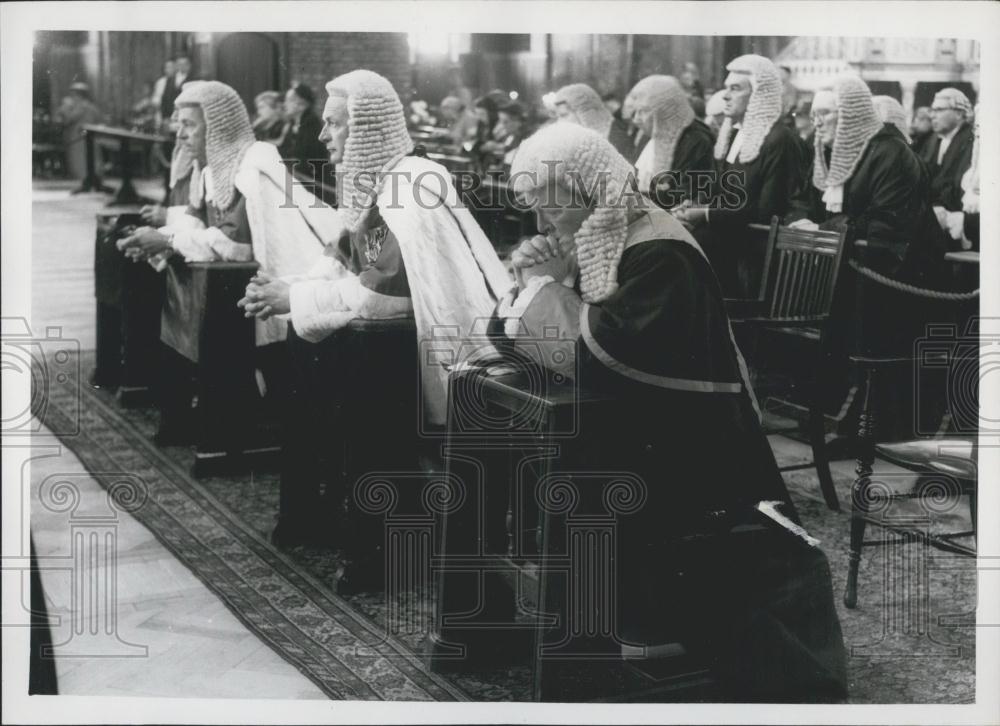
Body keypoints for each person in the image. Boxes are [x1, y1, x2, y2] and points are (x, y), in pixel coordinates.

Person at [495, 121, 847, 702]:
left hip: (693, 460)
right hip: (640, 431)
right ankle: (572, 632)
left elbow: (599, 352)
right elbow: (550, 332)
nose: (540, 226)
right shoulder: (605, 229)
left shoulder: (660, 250)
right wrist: (537, 281)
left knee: (575, 493)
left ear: (588, 192)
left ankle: (583, 653)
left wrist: (538, 289)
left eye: (548, 210)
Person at [239, 70, 511, 560]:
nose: (323, 136)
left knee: (343, 375)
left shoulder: (411, 186)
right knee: (304, 362)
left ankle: (372, 540)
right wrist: (288, 290)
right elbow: (340, 261)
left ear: (365, 129)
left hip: (438, 349)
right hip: (385, 341)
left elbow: (381, 299)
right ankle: (320, 513)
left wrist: (294, 300)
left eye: (334, 124)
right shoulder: (377, 182)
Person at [118, 80, 330, 439]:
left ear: (216, 126)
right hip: (235, 280)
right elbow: (195, 220)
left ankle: (243, 424)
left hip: (288, 278)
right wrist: (164, 240)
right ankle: (194, 414)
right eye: (179, 124)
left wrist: (167, 240)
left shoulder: (250, 168)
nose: (179, 134)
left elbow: (235, 245)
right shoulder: (212, 169)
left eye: (189, 125)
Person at [672, 54, 807, 295]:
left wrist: (704, 213)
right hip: (728, 239)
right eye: (726, 88)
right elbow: (721, 194)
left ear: (758, 95)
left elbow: (767, 210)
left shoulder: (780, 139)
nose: (725, 95)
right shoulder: (734, 136)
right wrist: (693, 205)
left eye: (735, 89)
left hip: (754, 251)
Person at [628, 74, 715, 207]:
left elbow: (685, 196)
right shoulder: (646, 138)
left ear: (665, 111)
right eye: (636, 112)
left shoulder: (696, 141)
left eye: (644, 111)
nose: (636, 119)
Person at [925, 88, 975, 234]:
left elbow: (956, 184)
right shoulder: (932, 140)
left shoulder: (971, 142)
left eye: (939, 110)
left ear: (959, 114)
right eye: (932, 110)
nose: (932, 116)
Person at [553, 83, 636, 163]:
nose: (559, 122)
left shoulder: (617, 139)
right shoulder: (587, 137)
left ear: (583, 111)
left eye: (564, 115)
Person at [278, 83, 334, 202]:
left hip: (317, 188)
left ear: (301, 105)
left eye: (289, 100)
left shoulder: (312, 127)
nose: (284, 105)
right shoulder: (293, 125)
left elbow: (307, 161)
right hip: (299, 182)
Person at [55, 81, 103, 180]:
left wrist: (64, 108)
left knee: (81, 164)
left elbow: (68, 119)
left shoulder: (81, 107)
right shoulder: (91, 107)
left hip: (79, 139)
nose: (72, 97)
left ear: (79, 95)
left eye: (74, 94)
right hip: (86, 138)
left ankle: (87, 181)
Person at [481, 100, 527, 168]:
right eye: (500, 121)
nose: (502, 126)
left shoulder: (524, 140)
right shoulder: (510, 135)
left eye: (505, 122)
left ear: (518, 122)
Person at [158, 54, 193, 123]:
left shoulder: (192, 80)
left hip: (185, 118)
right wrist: (164, 117)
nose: (182, 66)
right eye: (179, 64)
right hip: (169, 117)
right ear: (176, 65)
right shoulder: (170, 80)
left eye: (184, 64)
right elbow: (164, 99)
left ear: (189, 66)